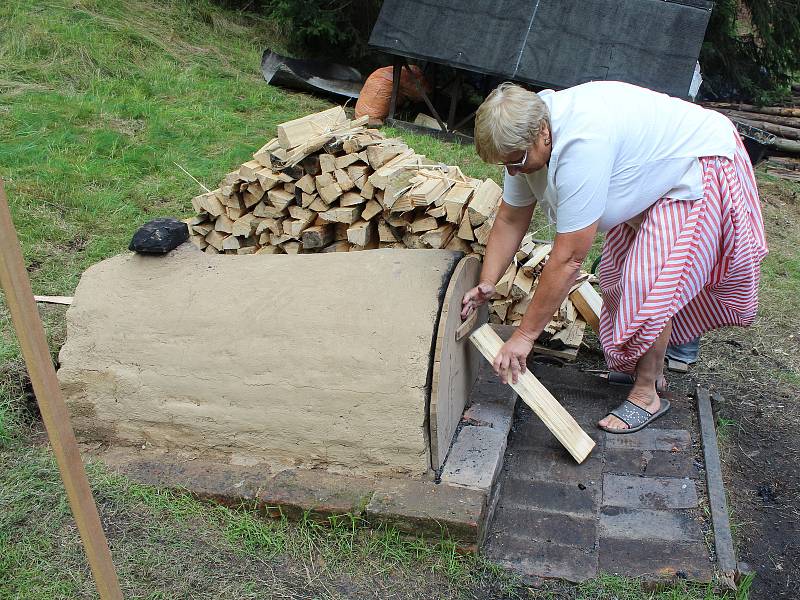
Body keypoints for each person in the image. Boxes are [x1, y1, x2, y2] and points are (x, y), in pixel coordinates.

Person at [460, 81, 767, 433]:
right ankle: (647, 366)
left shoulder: (582, 144)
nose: (512, 171)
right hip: (651, 172)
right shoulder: (524, 142)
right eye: (505, 165)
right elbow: (512, 217)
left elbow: (570, 257)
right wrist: (488, 281)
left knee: (647, 283)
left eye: (516, 162)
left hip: (699, 165)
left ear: (544, 132)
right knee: (615, 278)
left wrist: (525, 336)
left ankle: (646, 391)